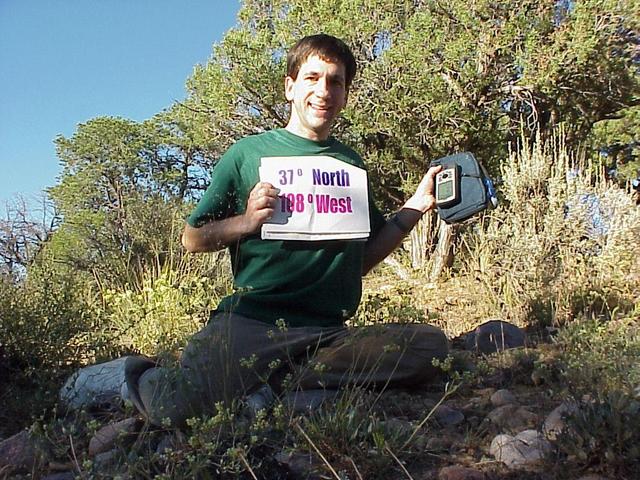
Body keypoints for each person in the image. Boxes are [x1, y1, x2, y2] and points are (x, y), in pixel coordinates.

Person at [61, 34, 448, 427]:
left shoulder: (351, 164)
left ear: (346, 94)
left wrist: (414, 208)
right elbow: (191, 238)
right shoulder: (247, 153)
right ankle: (137, 375)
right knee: (176, 410)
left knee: (429, 349)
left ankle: (269, 384)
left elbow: (358, 261)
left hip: (326, 334)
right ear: (290, 86)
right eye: (313, 78)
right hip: (251, 326)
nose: (324, 91)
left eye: (336, 81)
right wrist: (245, 222)